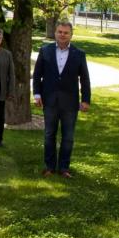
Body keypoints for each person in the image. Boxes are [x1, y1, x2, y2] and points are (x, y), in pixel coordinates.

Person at [32, 21, 91, 178]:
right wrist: (36, 94)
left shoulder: (79, 54)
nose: (62, 35)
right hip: (49, 100)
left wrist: (86, 100)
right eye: (60, 32)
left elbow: (85, 79)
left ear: (71, 35)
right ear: (55, 33)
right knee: (49, 134)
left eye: (66, 32)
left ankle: (64, 168)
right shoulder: (45, 51)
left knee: (68, 137)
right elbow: (37, 75)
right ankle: (50, 167)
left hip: (70, 103)